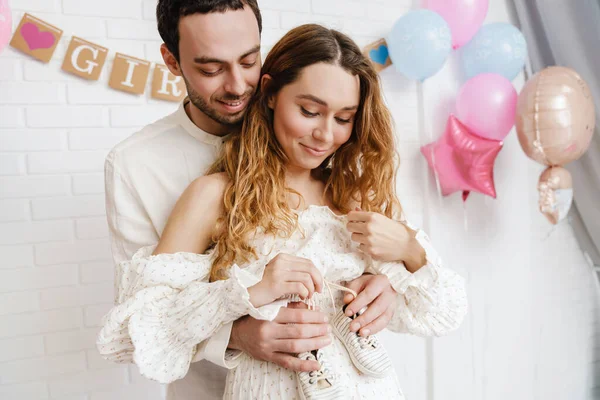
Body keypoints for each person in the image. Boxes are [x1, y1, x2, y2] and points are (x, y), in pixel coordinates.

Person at [98, 24, 468, 399]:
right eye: (310, 111)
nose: (325, 135)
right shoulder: (216, 195)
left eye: (343, 119)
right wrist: (251, 294)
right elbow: (134, 331)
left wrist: (406, 255)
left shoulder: (351, 196)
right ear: (271, 93)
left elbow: (444, 314)